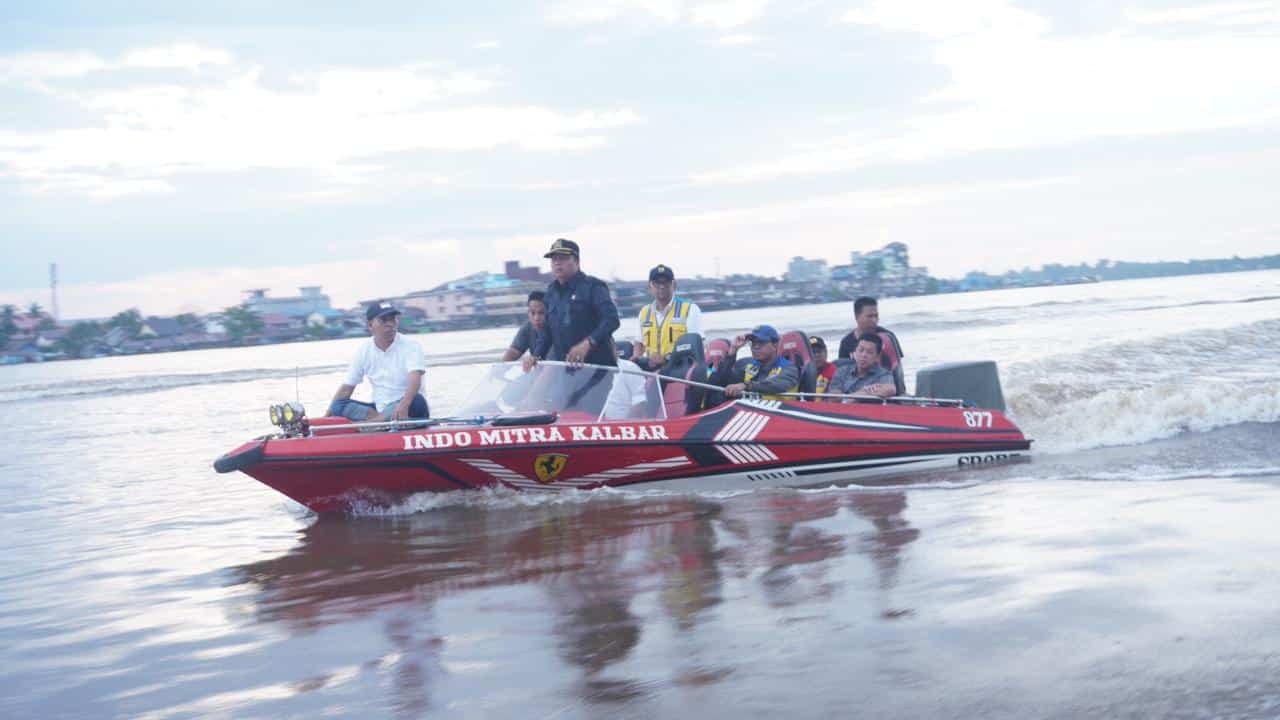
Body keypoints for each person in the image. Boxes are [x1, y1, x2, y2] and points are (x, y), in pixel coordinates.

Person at [526, 238, 621, 369]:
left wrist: (588, 343)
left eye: (563, 258)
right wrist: (535, 355)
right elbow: (547, 332)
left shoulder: (593, 287)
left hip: (597, 369)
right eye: (554, 259)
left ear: (576, 261)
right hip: (565, 371)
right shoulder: (551, 292)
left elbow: (611, 320)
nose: (557, 263)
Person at [327, 302, 429, 421]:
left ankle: (373, 425)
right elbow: (347, 388)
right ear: (370, 325)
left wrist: (404, 404)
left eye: (393, 319)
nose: (391, 324)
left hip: (408, 406)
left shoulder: (411, 346)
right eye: (384, 320)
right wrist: (324, 418)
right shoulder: (364, 350)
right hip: (380, 409)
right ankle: (381, 421)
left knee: (417, 400)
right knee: (338, 405)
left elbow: (415, 379)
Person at [634, 264, 703, 370]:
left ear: (673, 285)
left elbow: (694, 347)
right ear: (650, 286)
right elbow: (639, 343)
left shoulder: (690, 309)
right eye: (657, 283)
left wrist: (666, 358)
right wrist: (636, 359)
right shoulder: (644, 312)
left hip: (679, 371)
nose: (661, 286)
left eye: (666, 282)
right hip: (650, 373)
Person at [836, 296, 906, 394]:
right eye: (870, 316)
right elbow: (843, 373)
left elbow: (898, 370)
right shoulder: (846, 342)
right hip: (856, 392)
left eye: (876, 316)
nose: (874, 320)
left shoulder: (888, 337)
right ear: (857, 317)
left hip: (885, 389)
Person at [711, 324, 799, 401]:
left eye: (761, 343)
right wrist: (733, 350)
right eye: (753, 343)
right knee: (716, 396)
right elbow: (722, 379)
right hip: (752, 413)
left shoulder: (789, 369)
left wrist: (746, 386)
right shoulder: (749, 366)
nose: (755, 347)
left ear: (775, 345)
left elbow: (775, 385)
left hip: (781, 415)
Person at [830, 334, 896, 399]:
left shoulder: (883, 374)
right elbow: (833, 398)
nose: (864, 355)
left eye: (869, 352)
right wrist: (860, 394)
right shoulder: (842, 371)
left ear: (877, 356)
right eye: (861, 350)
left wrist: (861, 395)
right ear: (855, 351)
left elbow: (890, 389)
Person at [602, 341, 652, 419]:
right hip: (593, 422)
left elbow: (640, 401)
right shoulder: (591, 369)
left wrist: (625, 423)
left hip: (624, 425)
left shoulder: (630, 368)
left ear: (615, 350)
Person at [501, 291, 547, 362]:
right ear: (528, 313)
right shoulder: (527, 328)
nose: (536, 318)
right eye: (533, 313)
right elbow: (513, 352)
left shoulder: (554, 329)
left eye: (541, 313)